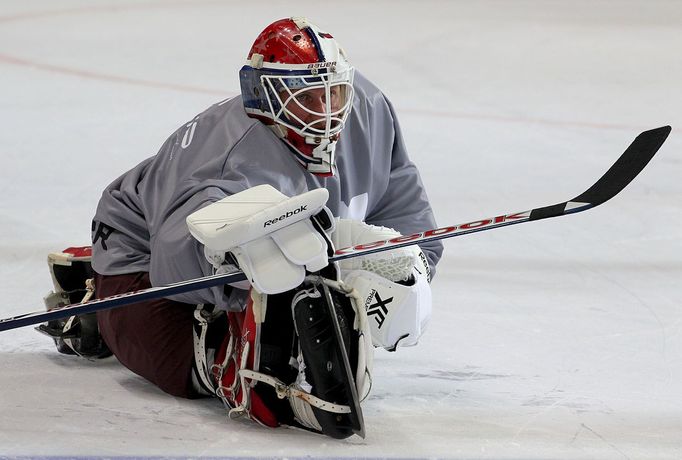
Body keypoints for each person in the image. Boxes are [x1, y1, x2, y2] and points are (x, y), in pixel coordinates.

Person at [46, 17, 443, 439]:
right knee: (187, 349)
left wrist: (409, 267)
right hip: (140, 258)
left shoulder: (368, 106)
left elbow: (404, 202)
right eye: (305, 97)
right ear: (265, 96)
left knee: (298, 283)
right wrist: (252, 278)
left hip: (185, 231)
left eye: (333, 93)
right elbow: (172, 263)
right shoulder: (232, 160)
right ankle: (104, 299)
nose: (326, 111)